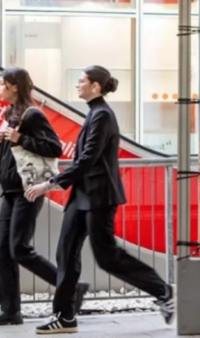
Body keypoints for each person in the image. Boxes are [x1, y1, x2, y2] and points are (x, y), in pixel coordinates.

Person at [26, 66, 174, 334]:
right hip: (82, 195)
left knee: (107, 256)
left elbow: (87, 160)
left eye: (82, 81)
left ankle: (163, 291)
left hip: (99, 197)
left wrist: (48, 184)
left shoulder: (102, 115)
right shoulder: (95, 113)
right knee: (65, 253)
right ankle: (65, 317)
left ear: (95, 86)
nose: (77, 85)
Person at [0, 68, 88, 326]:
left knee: (19, 248)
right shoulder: (8, 114)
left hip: (28, 190)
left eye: (2, 84)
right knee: (2, 250)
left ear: (15, 86)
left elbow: (54, 147)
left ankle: (72, 288)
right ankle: (11, 311)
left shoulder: (33, 114)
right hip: (10, 190)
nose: (0, 88)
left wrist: (20, 138)